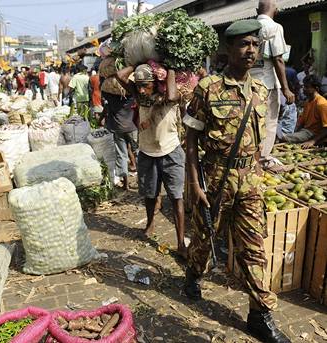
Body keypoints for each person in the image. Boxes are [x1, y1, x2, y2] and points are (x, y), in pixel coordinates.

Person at [183, 20, 291, 343]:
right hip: (216, 179)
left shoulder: (260, 91)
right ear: (227, 49)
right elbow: (190, 140)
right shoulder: (208, 89)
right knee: (204, 238)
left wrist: (265, 167)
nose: (251, 51)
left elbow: (258, 143)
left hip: (251, 183)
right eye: (244, 44)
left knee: (255, 248)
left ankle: (260, 315)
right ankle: (193, 274)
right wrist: (195, 185)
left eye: (255, 45)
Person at [116, 63, 187, 258]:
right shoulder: (140, 96)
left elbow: (172, 97)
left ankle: (181, 242)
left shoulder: (170, 95)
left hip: (171, 151)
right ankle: (149, 224)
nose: (141, 89)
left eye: (146, 85)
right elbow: (120, 75)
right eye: (138, 85)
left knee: (176, 197)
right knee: (149, 194)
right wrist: (140, 61)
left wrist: (168, 66)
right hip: (147, 152)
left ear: (156, 83)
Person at [249, 0, 295, 168]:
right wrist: (286, 89)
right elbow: (278, 59)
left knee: (250, 123)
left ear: (256, 10)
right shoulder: (274, 27)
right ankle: (262, 161)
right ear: (275, 11)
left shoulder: (250, 27)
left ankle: (249, 158)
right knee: (269, 123)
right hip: (267, 85)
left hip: (248, 83)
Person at [101, 84, 138, 190]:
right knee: (138, 153)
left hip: (118, 128)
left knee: (121, 155)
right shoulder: (131, 96)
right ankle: (141, 181)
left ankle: (126, 184)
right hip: (132, 127)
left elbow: (104, 92)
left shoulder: (111, 97)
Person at [280, 75, 327, 147]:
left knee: (282, 137)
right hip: (306, 131)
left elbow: (326, 128)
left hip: (313, 133)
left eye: (307, 87)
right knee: (285, 136)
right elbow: (301, 122)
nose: (304, 89)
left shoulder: (321, 103)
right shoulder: (308, 102)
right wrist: (295, 133)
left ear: (316, 89)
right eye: (304, 87)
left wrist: (312, 141)